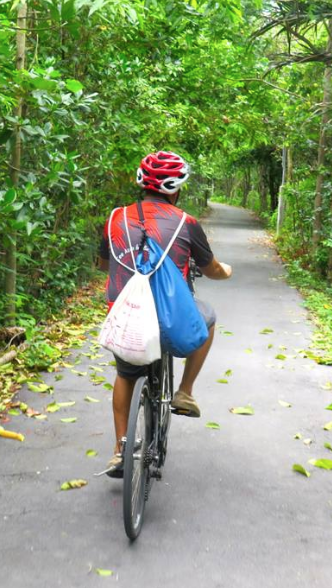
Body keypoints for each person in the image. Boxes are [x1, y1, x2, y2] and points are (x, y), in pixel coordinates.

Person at [97, 151, 233, 477]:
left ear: (142, 185)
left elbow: (103, 264)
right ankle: (184, 392)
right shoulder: (187, 223)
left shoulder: (116, 218)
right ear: (175, 190)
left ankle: (120, 449)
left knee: (126, 375)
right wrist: (225, 271)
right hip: (168, 320)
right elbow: (210, 269)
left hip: (126, 318)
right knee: (208, 317)